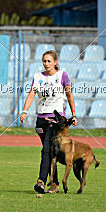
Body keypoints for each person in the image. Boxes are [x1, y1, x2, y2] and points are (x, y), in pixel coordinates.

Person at [20, 50, 78, 194]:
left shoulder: (62, 75)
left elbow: (69, 95)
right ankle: (55, 184)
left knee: (46, 150)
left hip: (56, 122)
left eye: (49, 61)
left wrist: (74, 114)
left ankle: (41, 181)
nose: (46, 64)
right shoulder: (38, 77)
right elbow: (31, 94)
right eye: (44, 61)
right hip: (41, 121)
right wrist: (24, 111)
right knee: (50, 153)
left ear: (55, 62)